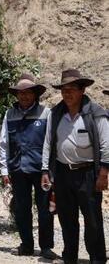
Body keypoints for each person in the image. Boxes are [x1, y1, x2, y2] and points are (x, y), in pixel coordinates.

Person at [41, 69, 108, 264]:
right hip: (62, 173)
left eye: (71, 89)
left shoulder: (96, 113)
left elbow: (106, 145)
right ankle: (70, 257)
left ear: (82, 91)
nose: (67, 93)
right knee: (67, 218)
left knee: (92, 220)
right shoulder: (55, 114)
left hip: (88, 173)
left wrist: (103, 173)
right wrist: (45, 170)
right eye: (64, 89)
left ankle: (97, 258)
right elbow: (48, 143)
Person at [0, 73, 55, 259]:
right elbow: (3, 143)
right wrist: (4, 169)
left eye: (28, 93)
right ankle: (26, 245)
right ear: (17, 95)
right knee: (22, 209)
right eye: (21, 93)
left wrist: (47, 169)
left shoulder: (46, 113)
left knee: (45, 209)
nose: (24, 96)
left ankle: (46, 247)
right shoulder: (9, 114)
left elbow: (50, 143)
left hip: (41, 170)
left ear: (35, 94)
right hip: (18, 169)